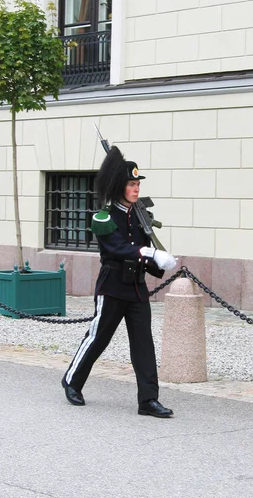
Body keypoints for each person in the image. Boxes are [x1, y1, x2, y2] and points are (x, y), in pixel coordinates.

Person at [62, 146, 177, 418]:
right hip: (112, 286)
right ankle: (72, 380)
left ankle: (148, 400)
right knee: (98, 338)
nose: (136, 189)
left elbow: (142, 248)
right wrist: (148, 253)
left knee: (143, 344)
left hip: (136, 287)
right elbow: (116, 247)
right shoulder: (104, 216)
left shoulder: (140, 216)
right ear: (119, 186)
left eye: (138, 184)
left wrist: (157, 263)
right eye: (131, 184)